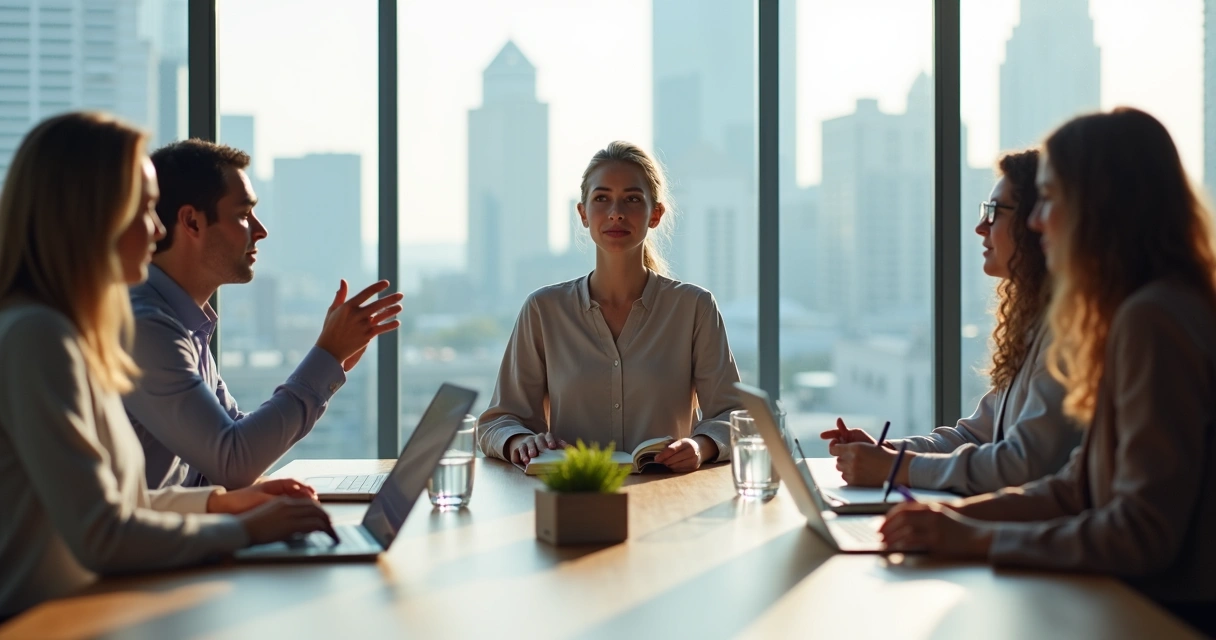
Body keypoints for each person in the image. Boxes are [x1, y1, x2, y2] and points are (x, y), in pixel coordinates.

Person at [880, 108, 1216, 633]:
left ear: (1101, 209)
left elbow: (1141, 532)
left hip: (1160, 617)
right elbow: (1074, 488)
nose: (1037, 220)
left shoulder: (1154, 320)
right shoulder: (1132, 314)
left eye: (1052, 198)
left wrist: (975, 538)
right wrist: (956, 521)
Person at [0, 112, 336, 619]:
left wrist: (219, 506)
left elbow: (120, 505)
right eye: (146, 209)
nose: (158, 228)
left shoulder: (67, 333)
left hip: (94, 611)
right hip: (52, 623)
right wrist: (246, 530)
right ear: (93, 215)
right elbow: (102, 535)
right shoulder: (37, 337)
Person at [122, 139, 404, 490]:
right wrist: (327, 356)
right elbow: (234, 460)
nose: (260, 230)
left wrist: (335, 360)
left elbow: (233, 439)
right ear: (192, 222)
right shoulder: (147, 327)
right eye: (243, 214)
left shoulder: (184, 322)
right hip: (155, 542)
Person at [822, 150, 1078, 496]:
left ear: (1038, 220)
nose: (980, 227)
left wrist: (896, 468)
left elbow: (1021, 465)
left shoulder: (1070, 331)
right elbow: (973, 436)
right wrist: (886, 453)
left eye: (994, 212)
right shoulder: (1035, 321)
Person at [478, 141, 743, 472]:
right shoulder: (544, 309)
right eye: (602, 198)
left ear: (655, 214)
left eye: (632, 199)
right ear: (583, 214)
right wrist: (519, 440)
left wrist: (700, 446)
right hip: (572, 494)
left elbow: (734, 416)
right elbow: (497, 422)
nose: (616, 212)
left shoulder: (694, 308)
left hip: (667, 494)